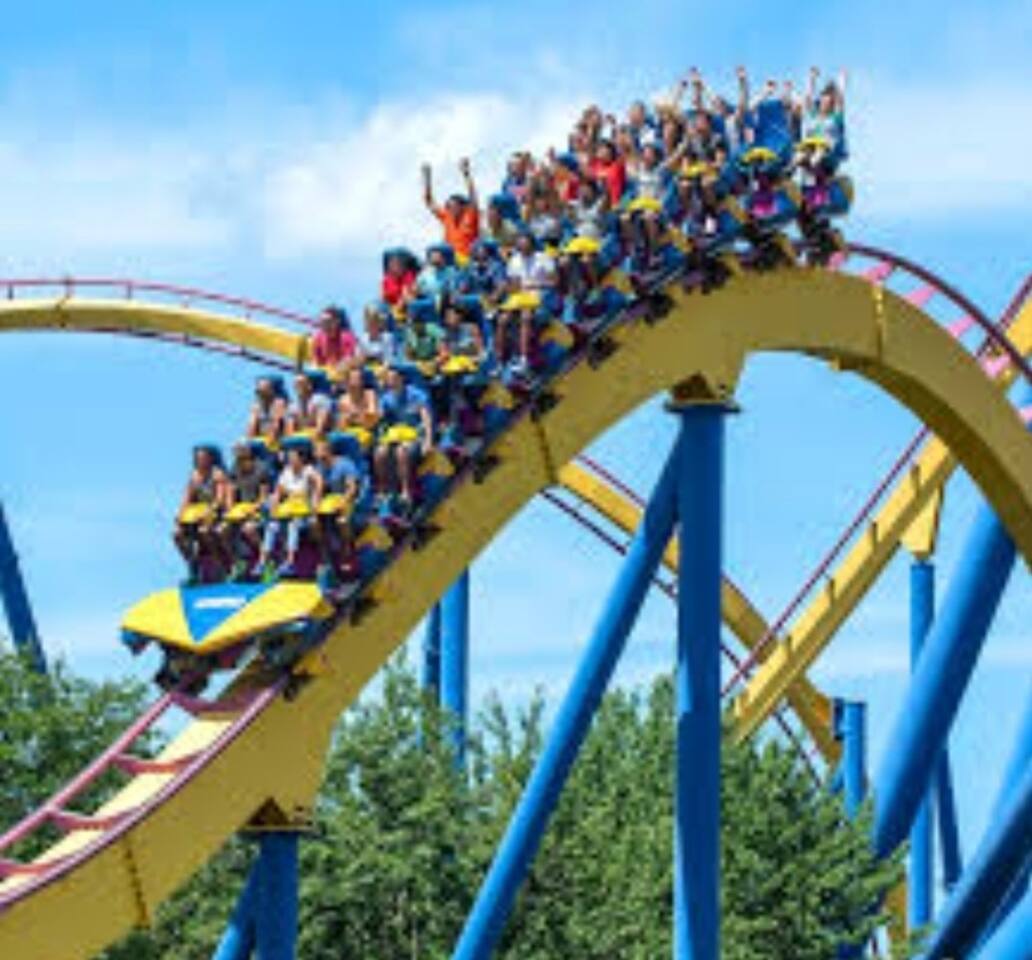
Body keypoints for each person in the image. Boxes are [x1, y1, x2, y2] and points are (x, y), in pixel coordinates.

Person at [254, 442, 323, 579]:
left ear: (301, 459)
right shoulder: (286, 472)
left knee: (293, 525)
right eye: (289, 458)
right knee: (272, 527)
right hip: (287, 510)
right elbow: (278, 492)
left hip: (303, 513)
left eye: (293, 457)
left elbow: (319, 482)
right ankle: (262, 562)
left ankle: (290, 562)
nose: (290, 460)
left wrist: (315, 500)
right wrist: (274, 506)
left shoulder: (308, 470)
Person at [373, 367, 433, 512]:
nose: (391, 381)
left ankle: (406, 490)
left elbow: (426, 419)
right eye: (389, 379)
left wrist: (428, 441)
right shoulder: (386, 398)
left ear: (401, 379)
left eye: (394, 378)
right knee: (380, 453)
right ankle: (383, 489)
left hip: (414, 435)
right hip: (395, 435)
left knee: (401, 452)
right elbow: (379, 417)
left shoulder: (417, 395)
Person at [174, 446, 230, 583]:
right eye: (198, 458)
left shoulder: (218, 475)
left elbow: (220, 500)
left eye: (203, 458)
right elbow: (186, 500)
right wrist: (180, 515)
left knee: (205, 531)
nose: (200, 460)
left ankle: (220, 563)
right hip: (196, 515)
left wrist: (209, 511)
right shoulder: (194, 477)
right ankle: (192, 564)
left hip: (215, 514)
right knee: (177, 535)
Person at [313, 438, 364, 583]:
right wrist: (316, 503)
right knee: (313, 523)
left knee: (342, 521)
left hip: (347, 501)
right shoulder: (320, 468)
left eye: (319, 451)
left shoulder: (345, 464)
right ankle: (326, 558)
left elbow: (352, 488)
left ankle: (347, 554)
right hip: (328, 505)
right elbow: (319, 488)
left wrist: (343, 502)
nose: (316, 454)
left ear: (328, 451)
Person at [221, 443, 271, 581]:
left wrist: (252, 509)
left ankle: (265, 561)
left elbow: (264, 497)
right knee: (222, 530)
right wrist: (230, 510)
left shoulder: (261, 469)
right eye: (236, 454)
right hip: (240, 512)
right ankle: (237, 563)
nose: (238, 457)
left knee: (249, 529)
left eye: (241, 452)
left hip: (258, 511)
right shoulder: (234, 469)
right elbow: (230, 493)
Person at [422, 158, 480, 263]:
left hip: (467, 259)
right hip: (450, 259)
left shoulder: (470, 215)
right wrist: (427, 178)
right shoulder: (447, 217)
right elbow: (429, 201)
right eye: (449, 207)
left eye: (454, 206)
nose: (451, 209)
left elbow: (473, 197)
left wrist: (466, 174)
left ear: (463, 207)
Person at [335, 365, 381, 450]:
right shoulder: (342, 400)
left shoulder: (370, 395)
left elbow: (372, 420)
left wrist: (354, 417)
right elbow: (341, 426)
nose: (354, 382)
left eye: (357, 379)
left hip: (369, 433)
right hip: (350, 434)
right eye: (351, 379)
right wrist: (352, 417)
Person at [287, 371, 334, 437]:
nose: (298, 386)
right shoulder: (292, 406)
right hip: (302, 438)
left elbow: (320, 429)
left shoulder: (320, 400)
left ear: (309, 386)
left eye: (301, 383)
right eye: (295, 384)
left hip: (321, 438)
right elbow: (289, 432)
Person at [310, 306, 358, 370]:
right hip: (325, 371)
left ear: (337, 322)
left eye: (328, 322)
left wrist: (338, 368)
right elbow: (316, 361)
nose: (325, 325)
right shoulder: (319, 337)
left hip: (343, 371)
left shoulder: (346, 338)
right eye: (323, 322)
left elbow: (349, 359)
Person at [247, 377, 288, 450]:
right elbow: (251, 428)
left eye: (262, 391)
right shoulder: (256, 407)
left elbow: (276, 426)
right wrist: (249, 444)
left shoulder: (279, 404)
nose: (259, 393)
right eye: (258, 391)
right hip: (261, 441)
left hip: (277, 441)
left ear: (271, 391)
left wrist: (268, 444)